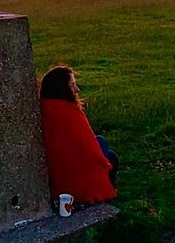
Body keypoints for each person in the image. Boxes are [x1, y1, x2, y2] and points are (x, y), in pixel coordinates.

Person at [38, 65, 117, 206]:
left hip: (57, 171)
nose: (77, 90)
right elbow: (93, 152)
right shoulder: (70, 113)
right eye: (72, 86)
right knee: (110, 155)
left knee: (101, 141)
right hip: (73, 176)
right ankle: (106, 198)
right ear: (62, 90)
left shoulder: (43, 108)